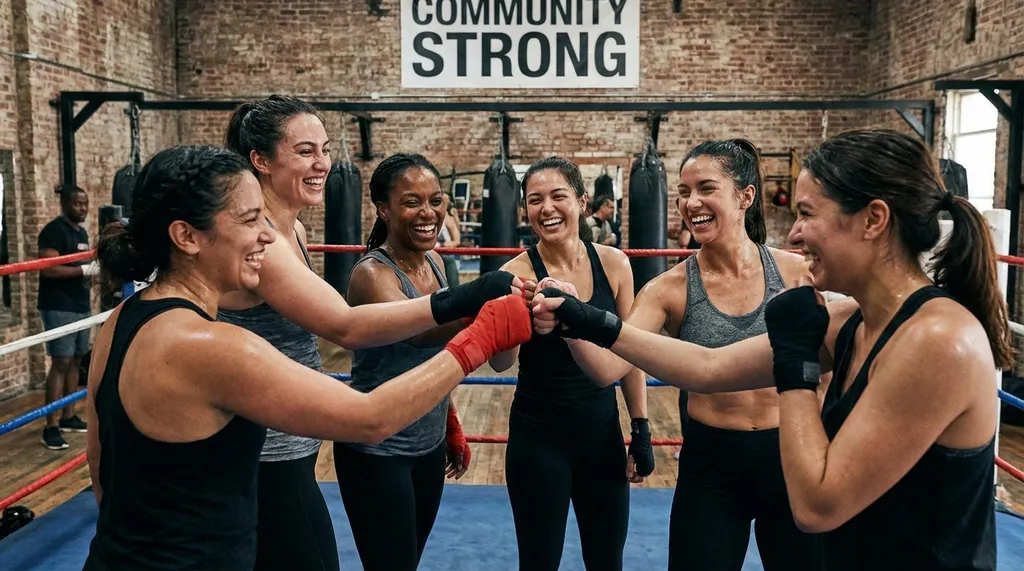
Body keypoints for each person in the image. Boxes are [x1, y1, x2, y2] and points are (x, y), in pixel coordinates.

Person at [534, 129, 1011, 571]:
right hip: (717, 466)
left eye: (807, 214)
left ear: (874, 219)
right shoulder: (849, 323)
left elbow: (817, 504)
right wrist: (586, 320)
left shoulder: (938, 341)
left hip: (797, 476)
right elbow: (708, 366)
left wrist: (796, 360)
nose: (796, 233)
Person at [82, 144, 531, 571]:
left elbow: (102, 467)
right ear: (186, 236)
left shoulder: (123, 318)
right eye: (248, 219)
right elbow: (369, 418)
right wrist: (478, 341)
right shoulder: (213, 345)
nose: (265, 234)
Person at [220, 95, 517, 571]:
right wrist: (479, 300)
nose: (321, 163)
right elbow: (346, 327)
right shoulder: (264, 238)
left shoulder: (290, 230)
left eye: (323, 149)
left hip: (292, 438)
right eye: (304, 152)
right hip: (264, 446)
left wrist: (449, 415)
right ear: (261, 160)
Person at [571, 139, 818, 571]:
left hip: (790, 457)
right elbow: (607, 368)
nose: (691, 202)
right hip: (712, 468)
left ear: (746, 196)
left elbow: (830, 366)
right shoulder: (668, 289)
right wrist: (570, 322)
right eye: (684, 192)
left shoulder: (797, 273)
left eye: (706, 188)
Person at [488, 156, 654, 571]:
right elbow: (500, 363)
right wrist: (510, 313)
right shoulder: (516, 272)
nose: (547, 208)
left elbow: (630, 353)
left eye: (558, 196)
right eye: (535, 200)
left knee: (606, 560)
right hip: (538, 439)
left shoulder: (614, 264)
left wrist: (642, 427)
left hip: (601, 437)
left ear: (581, 201)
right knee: (539, 561)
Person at [335, 153, 473, 571]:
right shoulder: (373, 274)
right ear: (383, 208)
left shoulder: (435, 262)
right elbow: (418, 333)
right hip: (377, 451)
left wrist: (447, 418)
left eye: (435, 199)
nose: (428, 212)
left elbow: (434, 356)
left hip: (426, 444)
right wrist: (484, 302)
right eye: (412, 202)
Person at [37, 184, 98, 450]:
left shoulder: (81, 232)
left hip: (80, 304)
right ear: (64, 205)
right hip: (58, 305)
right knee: (60, 362)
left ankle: (68, 415)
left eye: (85, 204)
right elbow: (48, 269)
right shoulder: (53, 231)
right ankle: (50, 426)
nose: (83, 208)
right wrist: (84, 271)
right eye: (77, 204)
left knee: (76, 361)